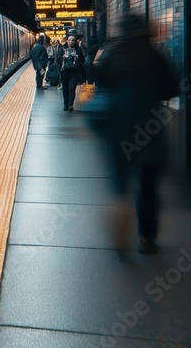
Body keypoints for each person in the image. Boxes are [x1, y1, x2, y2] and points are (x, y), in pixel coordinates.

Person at [91, 14, 180, 255]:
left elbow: (98, 79)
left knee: (121, 183)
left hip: (118, 130)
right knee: (148, 185)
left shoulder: (113, 52)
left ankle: (121, 220)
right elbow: (173, 87)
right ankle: (146, 237)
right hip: (149, 131)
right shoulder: (156, 56)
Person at [56, 33, 85, 111]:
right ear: (67, 41)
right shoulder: (62, 49)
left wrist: (77, 58)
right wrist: (62, 57)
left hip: (74, 72)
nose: (71, 42)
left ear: (75, 41)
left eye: (73, 40)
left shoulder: (78, 50)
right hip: (64, 72)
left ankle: (70, 104)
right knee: (65, 88)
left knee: (72, 88)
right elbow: (57, 60)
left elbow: (82, 60)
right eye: (69, 40)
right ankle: (65, 104)